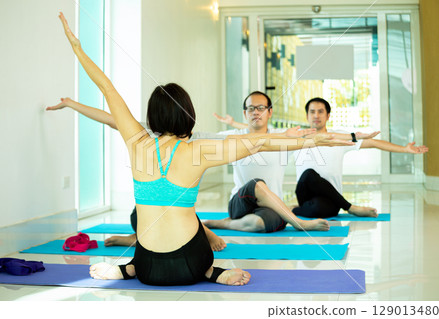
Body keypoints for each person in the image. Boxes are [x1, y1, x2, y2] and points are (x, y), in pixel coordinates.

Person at [57, 13, 352, 286]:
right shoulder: (198, 151)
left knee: (151, 219)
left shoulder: (136, 141)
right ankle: (213, 272)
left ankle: (127, 268)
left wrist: (78, 49)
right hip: (188, 266)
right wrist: (315, 139)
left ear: (152, 116)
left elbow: (108, 90)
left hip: (148, 268)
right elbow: (262, 142)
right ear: (188, 115)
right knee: (194, 224)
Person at [47, 97, 227, 251]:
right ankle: (142, 237)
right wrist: (71, 104)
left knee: (181, 223)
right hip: (145, 214)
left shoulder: (202, 141)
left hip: (181, 214)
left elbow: (244, 139)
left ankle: (136, 238)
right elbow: (110, 119)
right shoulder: (147, 134)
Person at [216, 97, 429, 219]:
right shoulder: (300, 137)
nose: (316, 115)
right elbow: (262, 134)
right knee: (309, 175)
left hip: (330, 199)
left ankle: (294, 210)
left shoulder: (337, 136)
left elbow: (373, 142)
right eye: (311, 112)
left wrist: (405, 149)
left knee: (320, 210)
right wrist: (235, 124)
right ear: (307, 116)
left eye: (320, 111)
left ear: (328, 115)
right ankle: (350, 207)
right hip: (304, 190)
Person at [204, 91, 375, 233]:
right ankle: (298, 223)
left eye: (261, 108)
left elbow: (318, 136)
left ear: (269, 112)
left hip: (271, 206)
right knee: (257, 184)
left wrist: (352, 136)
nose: (256, 112)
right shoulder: (233, 136)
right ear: (244, 113)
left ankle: (223, 224)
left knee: (259, 225)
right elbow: (202, 141)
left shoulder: (284, 135)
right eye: (251, 108)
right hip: (240, 202)